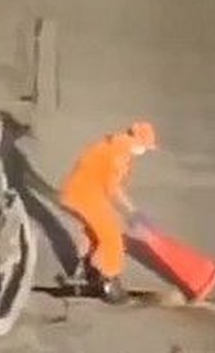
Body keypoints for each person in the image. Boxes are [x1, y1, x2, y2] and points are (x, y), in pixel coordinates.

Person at [57, 121, 158, 304]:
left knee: (99, 234)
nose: (145, 152)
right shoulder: (119, 152)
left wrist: (130, 212)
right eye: (146, 147)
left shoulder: (117, 146)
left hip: (79, 193)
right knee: (112, 237)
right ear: (139, 142)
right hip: (84, 195)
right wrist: (132, 212)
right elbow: (112, 188)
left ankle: (89, 273)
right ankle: (108, 282)